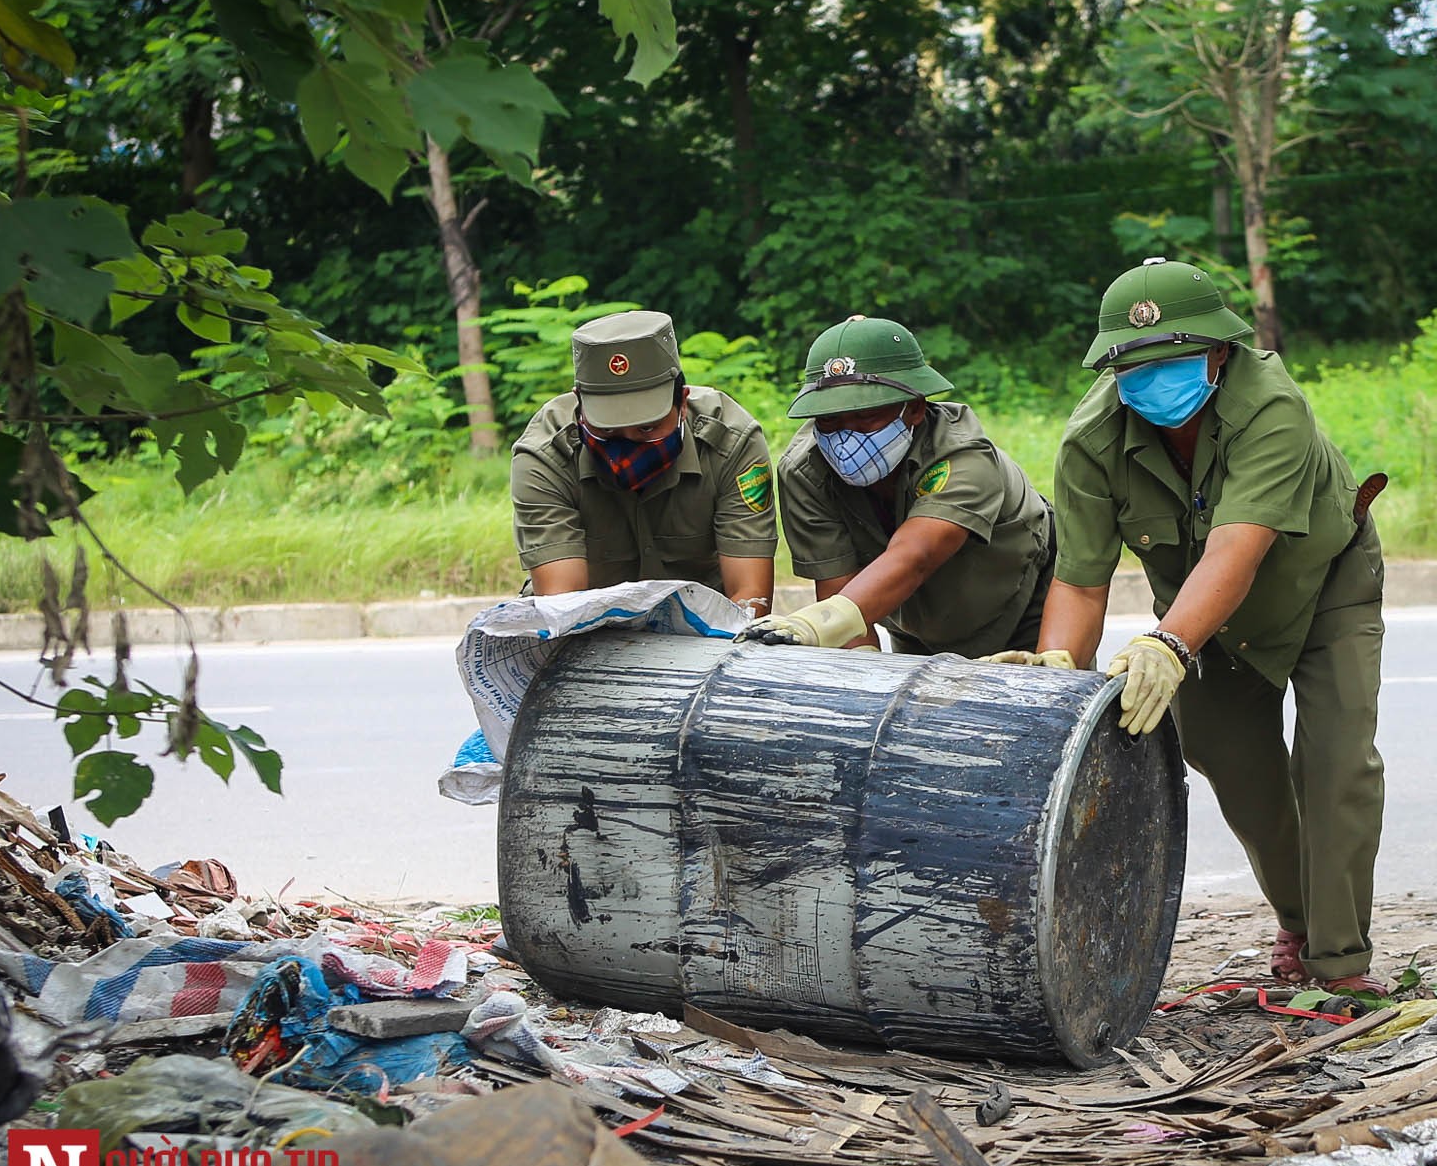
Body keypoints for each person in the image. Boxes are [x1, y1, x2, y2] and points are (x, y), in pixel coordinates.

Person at [1003, 259, 1388, 994]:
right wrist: (1057, 663)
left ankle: (1339, 965)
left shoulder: (1272, 406)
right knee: (1229, 761)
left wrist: (1169, 644)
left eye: (1171, 360)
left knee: (1337, 765)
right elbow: (1081, 579)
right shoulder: (1092, 439)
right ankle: (1300, 920)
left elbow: (1236, 550)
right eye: (1132, 365)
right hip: (1203, 615)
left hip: (1323, 586)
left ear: (1218, 351)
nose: (1151, 379)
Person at [738, 315, 1054, 656]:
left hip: (1026, 609)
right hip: (915, 625)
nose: (847, 436)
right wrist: (863, 670)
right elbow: (839, 594)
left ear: (915, 408)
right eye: (830, 420)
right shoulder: (807, 473)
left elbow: (915, 556)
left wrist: (814, 626)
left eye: (866, 416)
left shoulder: (964, 457)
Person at [511, 309, 777, 612]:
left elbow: (749, 598)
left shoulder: (730, 444)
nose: (627, 442)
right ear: (579, 403)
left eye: (648, 427)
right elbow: (562, 605)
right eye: (608, 429)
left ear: (683, 402)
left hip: (707, 630)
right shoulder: (546, 457)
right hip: (587, 631)